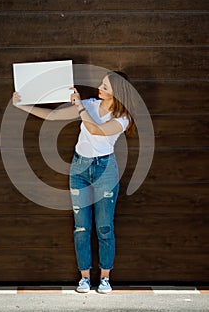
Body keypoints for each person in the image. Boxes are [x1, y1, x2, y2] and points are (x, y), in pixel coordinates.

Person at [12, 71, 135, 294]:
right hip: (79, 169)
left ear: (118, 92)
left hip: (105, 170)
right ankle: (85, 278)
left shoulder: (123, 118)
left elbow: (96, 130)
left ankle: (105, 278)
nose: (99, 87)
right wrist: (22, 106)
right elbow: (52, 117)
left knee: (104, 227)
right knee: (81, 227)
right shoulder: (89, 104)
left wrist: (80, 107)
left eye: (105, 86)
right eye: (101, 83)